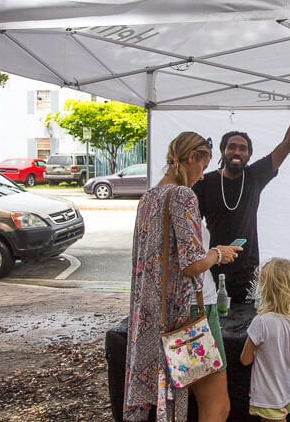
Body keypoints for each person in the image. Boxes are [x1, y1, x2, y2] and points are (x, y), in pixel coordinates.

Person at [123, 132, 243, 422]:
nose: (202, 176)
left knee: (187, 402)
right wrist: (219, 253)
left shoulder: (149, 197)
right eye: (202, 167)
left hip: (160, 312)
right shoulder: (183, 195)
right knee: (216, 407)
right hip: (192, 312)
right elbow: (192, 264)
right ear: (191, 158)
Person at [193, 82, 290, 303]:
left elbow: (288, 144)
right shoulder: (205, 182)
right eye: (231, 146)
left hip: (246, 269)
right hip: (212, 264)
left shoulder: (255, 176)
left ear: (249, 155)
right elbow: (192, 227)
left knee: (243, 324)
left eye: (242, 148)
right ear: (223, 151)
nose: (237, 151)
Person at [240, 258, 290, 422]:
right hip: (286, 390)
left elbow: (245, 360)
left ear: (265, 288)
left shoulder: (261, 321)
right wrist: (289, 355)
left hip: (267, 394)